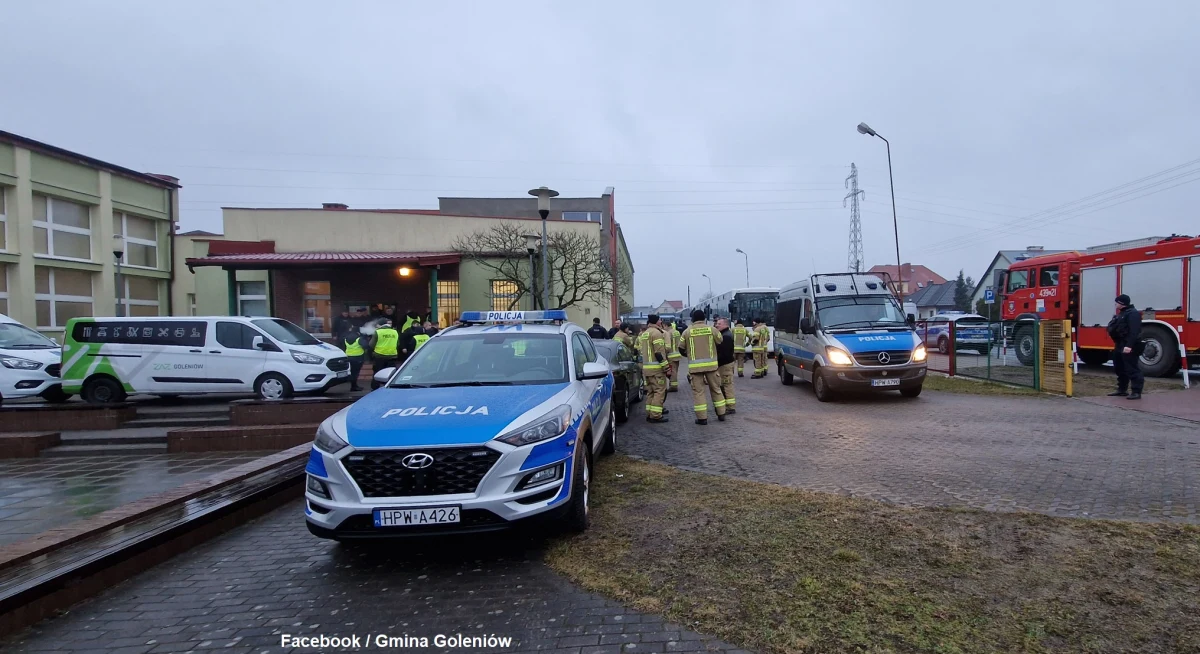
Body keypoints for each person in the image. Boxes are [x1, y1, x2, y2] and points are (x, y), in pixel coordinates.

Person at [677, 309, 726, 424]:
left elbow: (681, 348)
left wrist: (689, 355)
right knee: (716, 389)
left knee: (698, 393)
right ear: (704, 318)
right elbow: (720, 341)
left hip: (695, 368)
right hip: (712, 367)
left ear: (693, 319)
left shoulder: (687, 332)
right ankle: (721, 414)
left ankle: (702, 418)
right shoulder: (712, 329)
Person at [1106, 294, 1144, 400]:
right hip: (1120, 344)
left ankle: (1136, 391)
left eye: (1117, 302)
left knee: (1132, 368)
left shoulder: (1133, 314)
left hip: (1129, 345)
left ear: (1121, 303)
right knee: (1119, 367)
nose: (1115, 304)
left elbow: (1134, 331)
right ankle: (1122, 389)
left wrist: (1129, 346)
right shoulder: (1122, 313)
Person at [636, 315, 670, 423]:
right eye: (660, 320)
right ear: (656, 321)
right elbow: (658, 353)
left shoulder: (645, 333)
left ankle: (649, 414)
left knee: (650, 392)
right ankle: (655, 416)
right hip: (656, 370)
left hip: (647, 369)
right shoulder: (656, 333)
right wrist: (666, 367)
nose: (661, 321)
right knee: (659, 391)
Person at [715, 317, 737, 414]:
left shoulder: (726, 336)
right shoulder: (724, 334)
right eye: (717, 323)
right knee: (724, 385)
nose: (717, 325)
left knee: (727, 385)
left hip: (725, 365)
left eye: (719, 324)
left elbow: (725, 354)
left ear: (725, 324)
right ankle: (728, 405)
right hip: (724, 364)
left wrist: (717, 361)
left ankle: (730, 407)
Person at [368, 320, 399, 388]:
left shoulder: (378, 332)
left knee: (377, 372)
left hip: (379, 355)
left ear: (380, 325)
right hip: (392, 355)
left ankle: (375, 387)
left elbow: (371, 345)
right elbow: (397, 344)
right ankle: (389, 386)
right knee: (390, 373)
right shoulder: (395, 332)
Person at [343, 326, 367, 392]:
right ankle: (354, 387)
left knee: (352, 372)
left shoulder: (346, 338)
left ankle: (353, 385)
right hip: (358, 357)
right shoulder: (359, 338)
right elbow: (365, 346)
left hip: (349, 357)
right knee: (355, 373)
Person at [665, 319, 682, 393]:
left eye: (664, 326)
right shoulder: (677, 332)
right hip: (677, 354)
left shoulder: (668, 333)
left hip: (671, 355)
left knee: (672, 371)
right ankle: (673, 384)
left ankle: (673, 386)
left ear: (666, 325)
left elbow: (667, 345)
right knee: (675, 370)